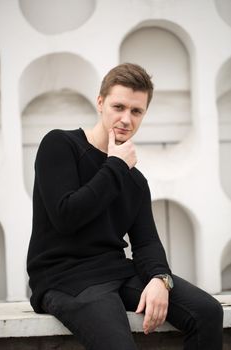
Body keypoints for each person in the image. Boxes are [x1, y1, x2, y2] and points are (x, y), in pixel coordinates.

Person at [27, 63, 223, 350]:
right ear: (100, 102)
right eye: (118, 107)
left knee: (207, 312)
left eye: (136, 111)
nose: (126, 119)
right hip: (63, 277)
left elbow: (146, 243)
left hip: (114, 271)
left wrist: (160, 279)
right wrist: (116, 165)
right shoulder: (60, 145)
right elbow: (67, 216)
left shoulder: (134, 180)